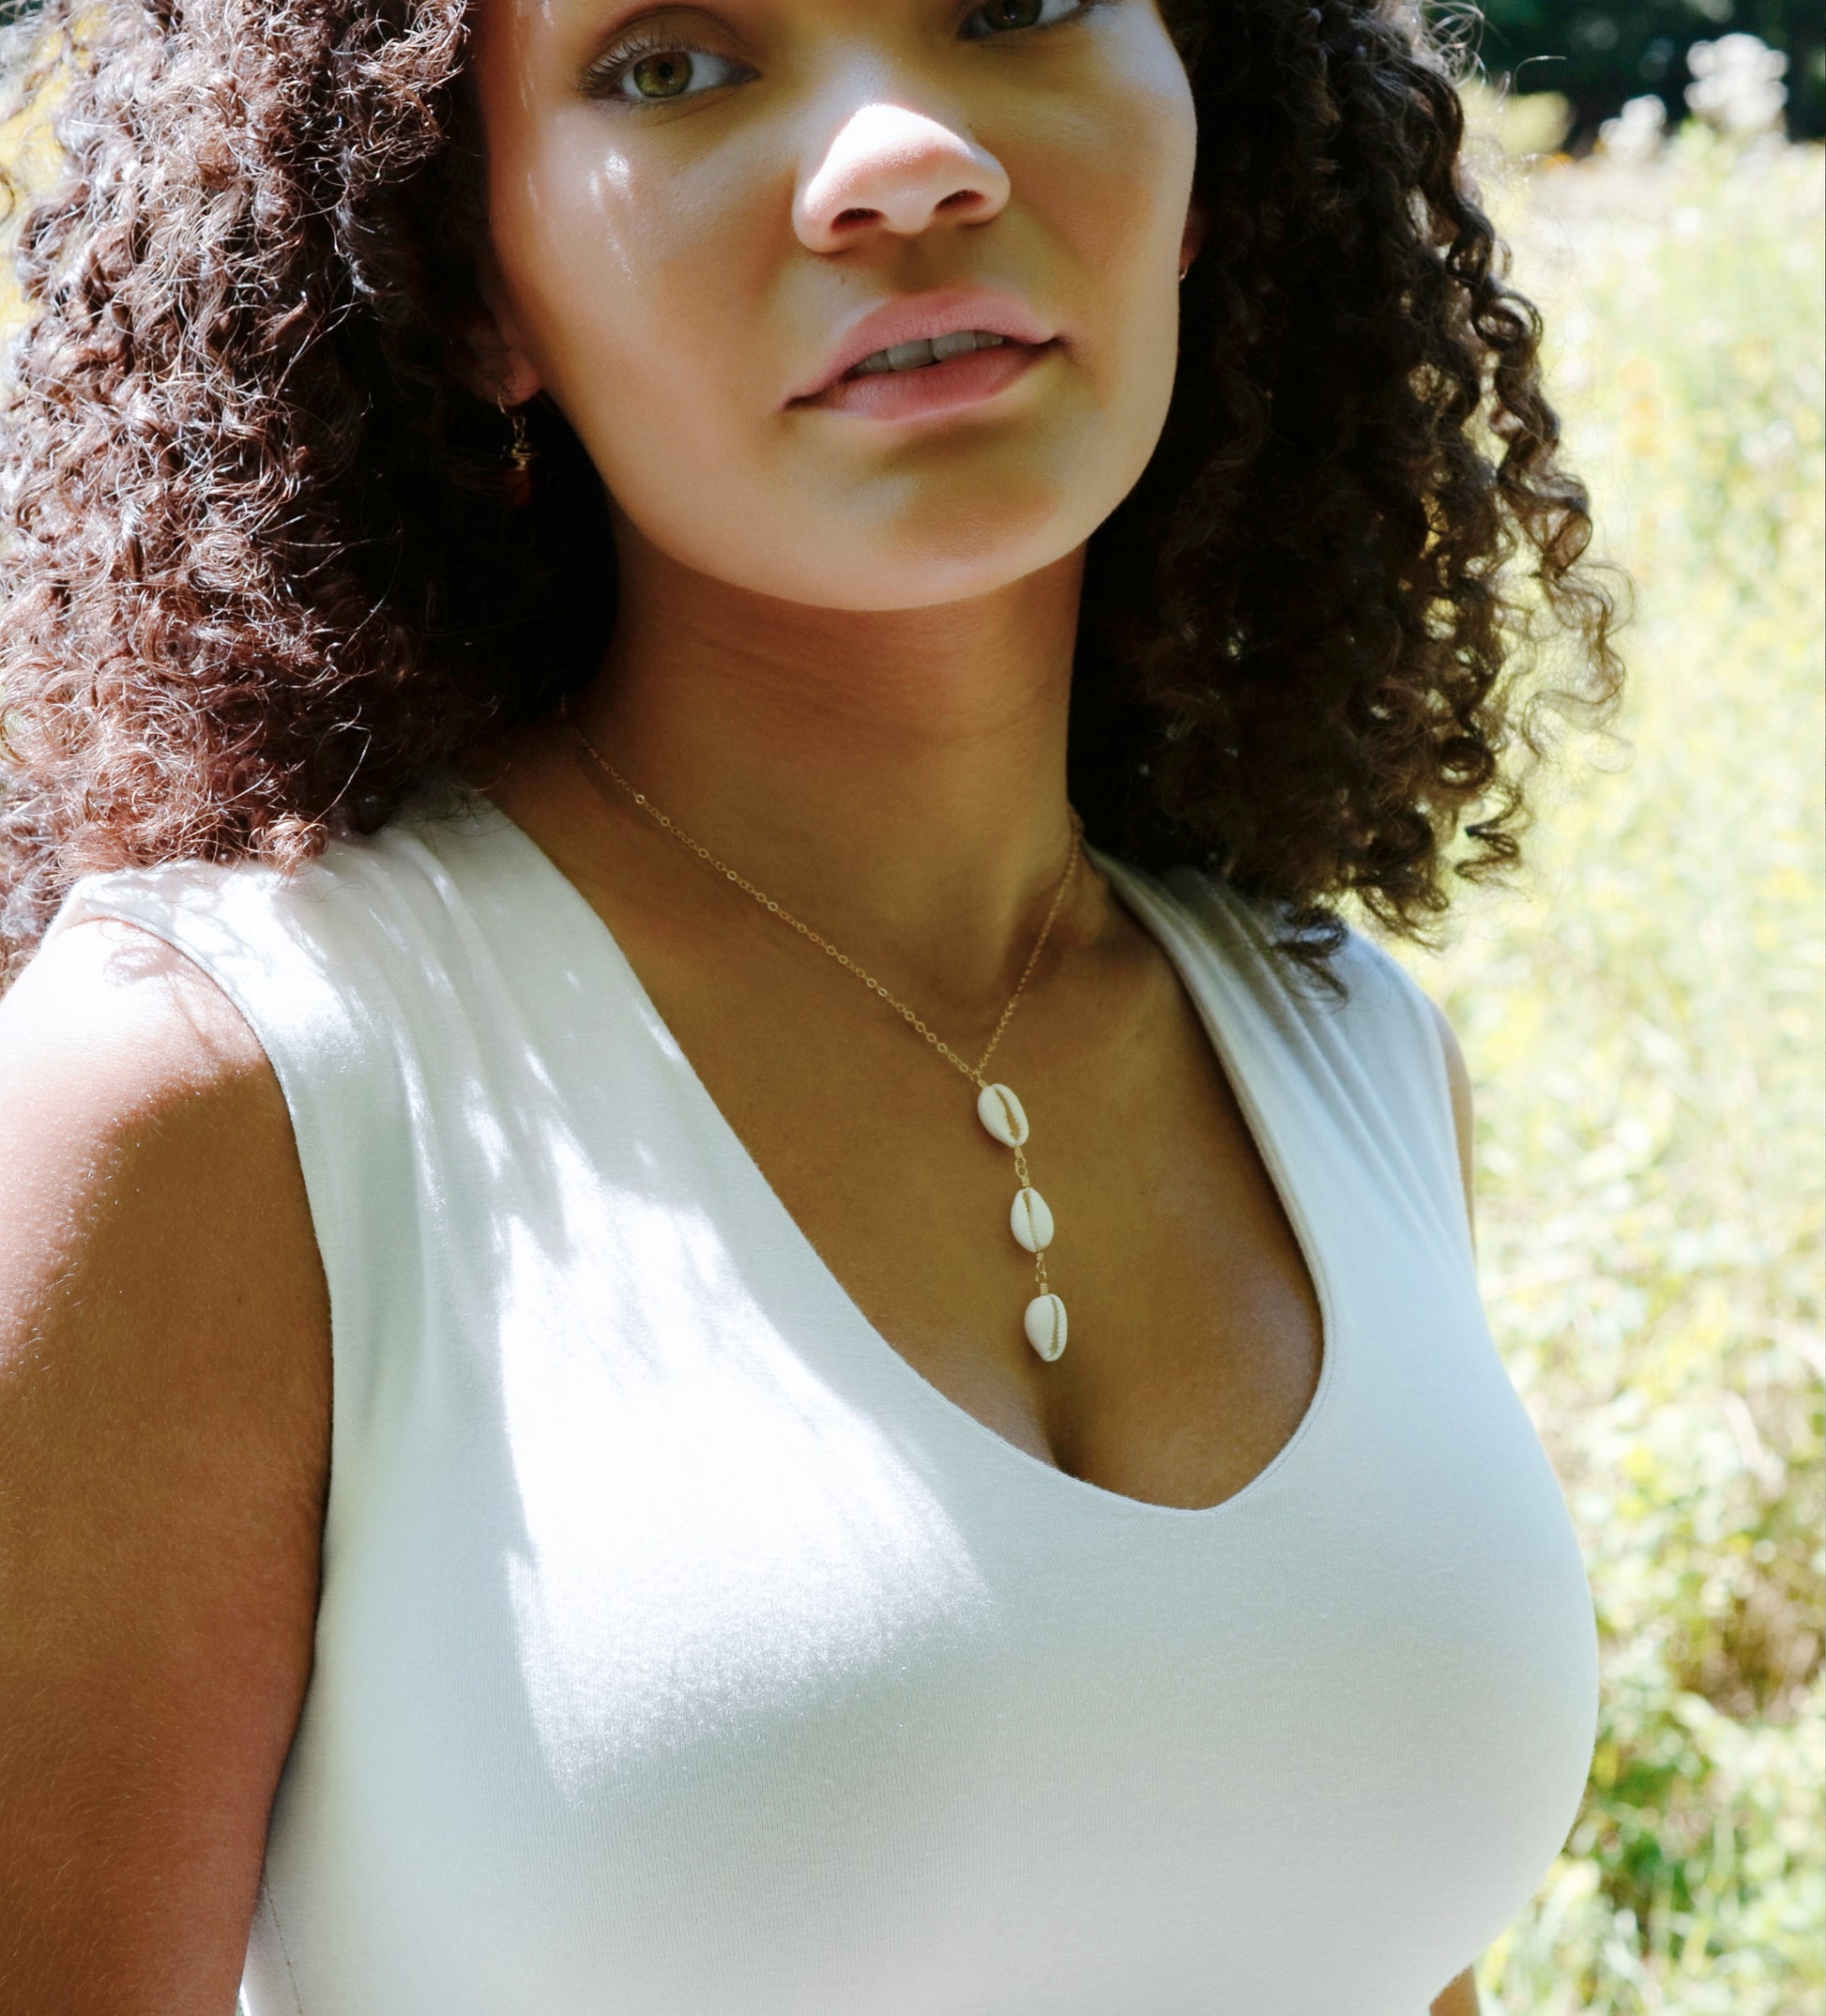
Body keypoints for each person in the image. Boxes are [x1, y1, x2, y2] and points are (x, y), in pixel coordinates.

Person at [0, 0, 1622, 2006]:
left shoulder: (1347, 1046)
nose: (908, 161)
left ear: (1206, 140)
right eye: (670, 63)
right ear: (463, 276)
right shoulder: (223, 1091)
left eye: (1013, 3)